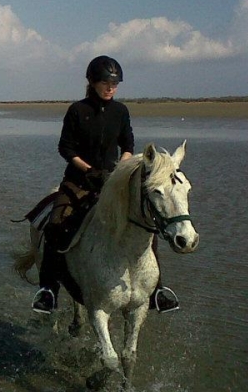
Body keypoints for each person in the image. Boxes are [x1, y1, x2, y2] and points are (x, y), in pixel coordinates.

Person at [31, 56, 180, 315]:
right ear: (92, 82)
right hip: (78, 179)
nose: (110, 88)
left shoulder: (121, 111)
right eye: (105, 83)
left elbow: (128, 145)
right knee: (56, 223)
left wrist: (118, 171)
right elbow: (65, 148)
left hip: (112, 181)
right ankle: (49, 290)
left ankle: (157, 289)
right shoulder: (77, 110)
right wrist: (89, 170)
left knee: (147, 225)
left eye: (115, 83)